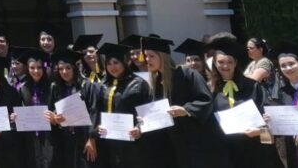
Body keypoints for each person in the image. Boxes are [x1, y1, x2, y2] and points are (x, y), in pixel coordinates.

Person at [138, 35, 212, 168]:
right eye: (146, 56)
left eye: (151, 56)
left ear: (162, 56)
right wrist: (146, 119)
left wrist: (186, 110)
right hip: (170, 142)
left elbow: (205, 99)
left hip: (192, 139)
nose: (147, 60)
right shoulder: (155, 81)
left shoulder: (187, 74)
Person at [204, 38, 278, 168]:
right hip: (226, 151)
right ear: (214, 63)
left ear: (236, 63)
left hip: (255, 149)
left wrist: (261, 133)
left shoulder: (253, 86)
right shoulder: (210, 89)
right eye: (221, 62)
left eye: (229, 62)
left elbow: (268, 120)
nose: (225, 66)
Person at [95, 43, 149, 168]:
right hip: (110, 142)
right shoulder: (104, 85)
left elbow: (147, 111)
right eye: (109, 63)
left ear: (124, 63)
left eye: (116, 62)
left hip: (133, 141)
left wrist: (140, 128)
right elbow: (98, 111)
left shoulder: (138, 83)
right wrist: (99, 126)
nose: (112, 67)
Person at [45, 50, 100, 168]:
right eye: (60, 69)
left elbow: (94, 111)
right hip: (64, 139)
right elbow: (51, 111)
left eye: (68, 68)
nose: (64, 72)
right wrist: (54, 118)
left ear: (74, 68)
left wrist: (92, 139)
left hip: (84, 137)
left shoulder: (86, 85)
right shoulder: (55, 87)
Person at [16, 49, 52, 168]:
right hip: (30, 135)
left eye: (39, 67)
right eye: (32, 67)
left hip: (49, 135)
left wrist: (54, 115)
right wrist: (14, 116)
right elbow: (17, 109)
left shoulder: (52, 86)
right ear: (27, 68)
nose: (36, 71)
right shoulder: (22, 88)